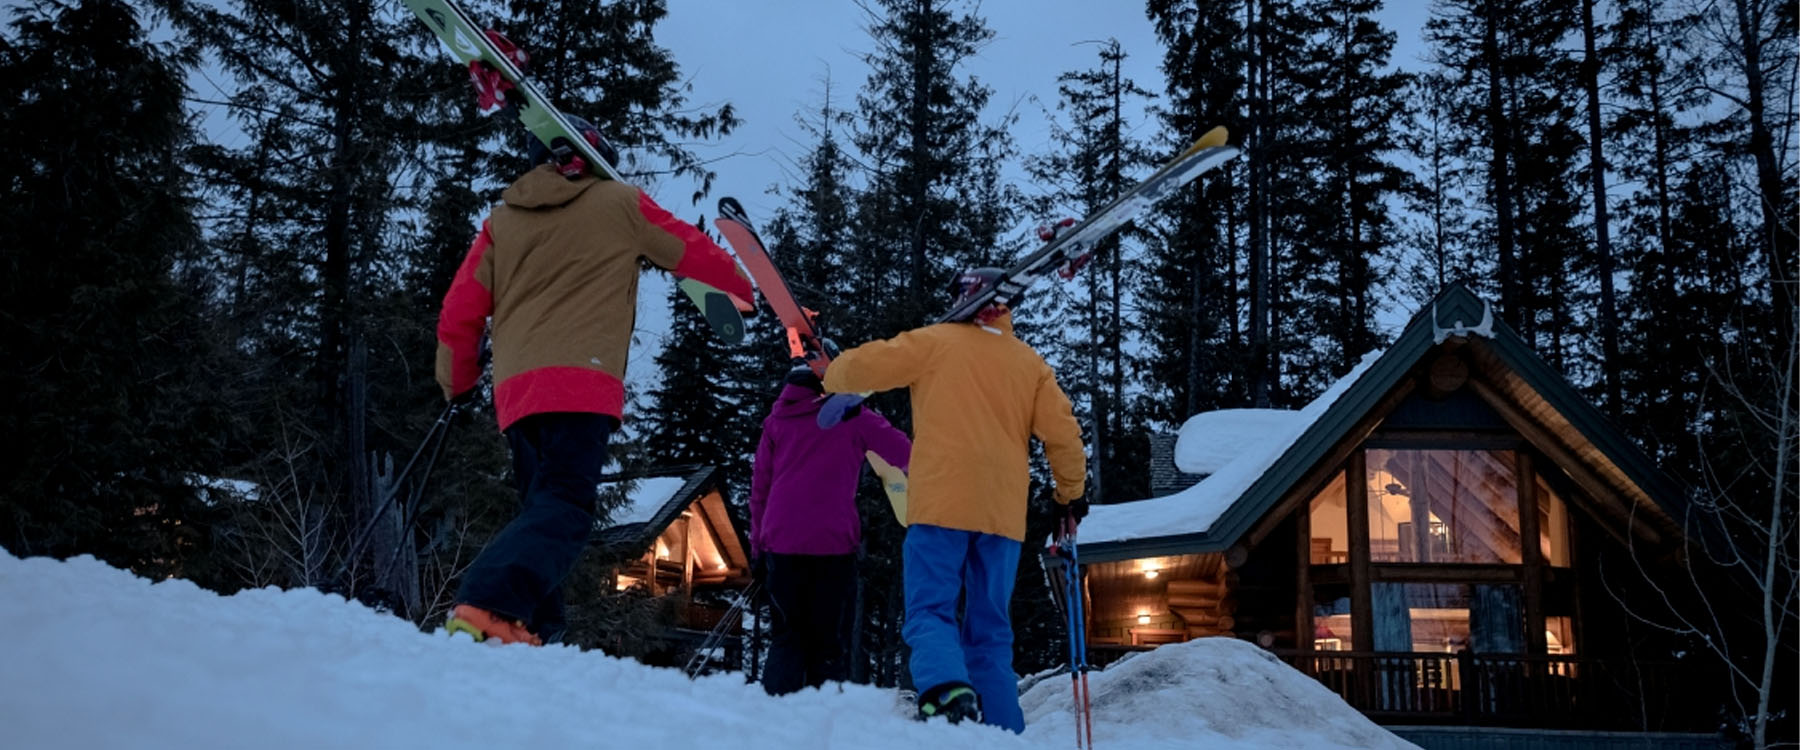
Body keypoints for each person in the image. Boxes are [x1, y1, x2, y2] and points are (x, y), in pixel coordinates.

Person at [435, 117, 753, 646]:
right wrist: (742, 290)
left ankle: (533, 626)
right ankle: (486, 604)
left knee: (542, 504)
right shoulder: (619, 203)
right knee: (566, 507)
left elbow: (459, 312)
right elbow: (689, 249)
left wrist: (459, 381)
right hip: (580, 379)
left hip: (518, 393)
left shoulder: (502, 222)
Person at [821, 268, 1088, 732]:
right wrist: (1069, 496)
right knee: (990, 631)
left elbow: (864, 367)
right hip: (1002, 515)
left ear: (961, 300)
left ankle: (947, 693)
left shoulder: (934, 342)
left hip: (941, 503)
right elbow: (1063, 435)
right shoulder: (1029, 364)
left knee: (931, 609)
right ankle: (1005, 732)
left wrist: (830, 370)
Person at [749, 364, 912, 695]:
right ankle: (818, 730)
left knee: (786, 639)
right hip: (832, 544)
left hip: (780, 542)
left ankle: (772, 725)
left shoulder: (776, 421)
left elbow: (760, 490)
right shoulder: (852, 416)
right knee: (828, 645)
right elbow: (906, 453)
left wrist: (757, 551)